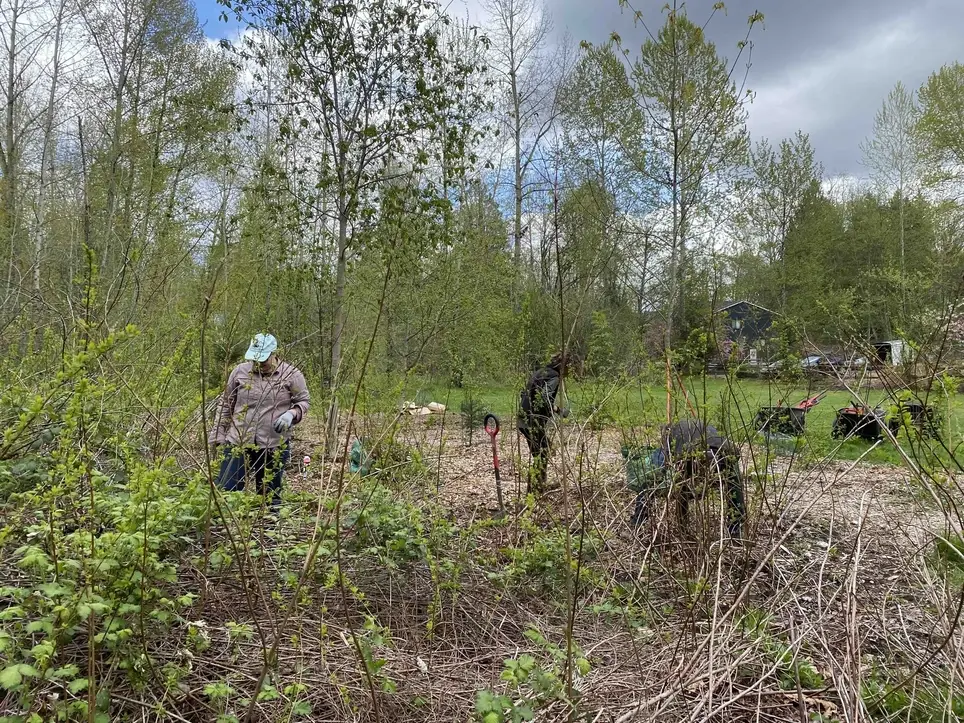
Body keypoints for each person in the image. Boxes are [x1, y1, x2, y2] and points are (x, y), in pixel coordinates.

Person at [211, 333, 310, 511]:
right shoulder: (240, 372)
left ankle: (268, 526)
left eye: (263, 360)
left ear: (274, 354)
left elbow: (303, 401)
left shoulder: (291, 375)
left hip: (273, 443)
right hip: (238, 440)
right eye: (255, 360)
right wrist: (218, 434)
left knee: (269, 497)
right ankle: (225, 525)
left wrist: (292, 414)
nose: (258, 364)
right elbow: (226, 403)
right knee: (227, 491)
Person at [630, 418, 745, 538]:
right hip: (719, 451)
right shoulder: (690, 432)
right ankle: (736, 528)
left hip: (701, 452)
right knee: (733, 481)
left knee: (652, 482)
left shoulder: (674, 437)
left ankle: (639, 520)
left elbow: (663, 470)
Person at [517, 351, 569, 493]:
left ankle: (537, 487)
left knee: (541, 453)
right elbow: (545, 396)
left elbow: (524, 393)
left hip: (524, 418)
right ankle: (535, 490)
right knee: (542, 454)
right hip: (532, 421)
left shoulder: (540, 372)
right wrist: (558, 410)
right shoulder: (554, 377)